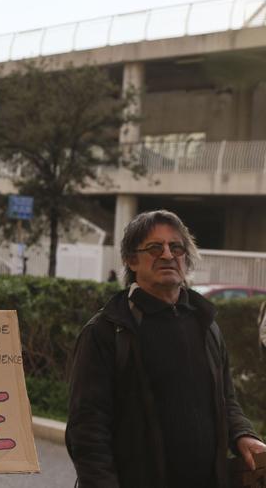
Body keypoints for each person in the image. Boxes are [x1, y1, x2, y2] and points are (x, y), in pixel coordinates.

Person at [66, 209, 266, 487]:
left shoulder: (206, 324)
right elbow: (87, 430)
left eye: (176, 247)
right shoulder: (108, 330)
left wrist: (244, 434)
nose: (168, 255)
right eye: (154, 247)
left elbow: (225, 400)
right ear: (130, 260)